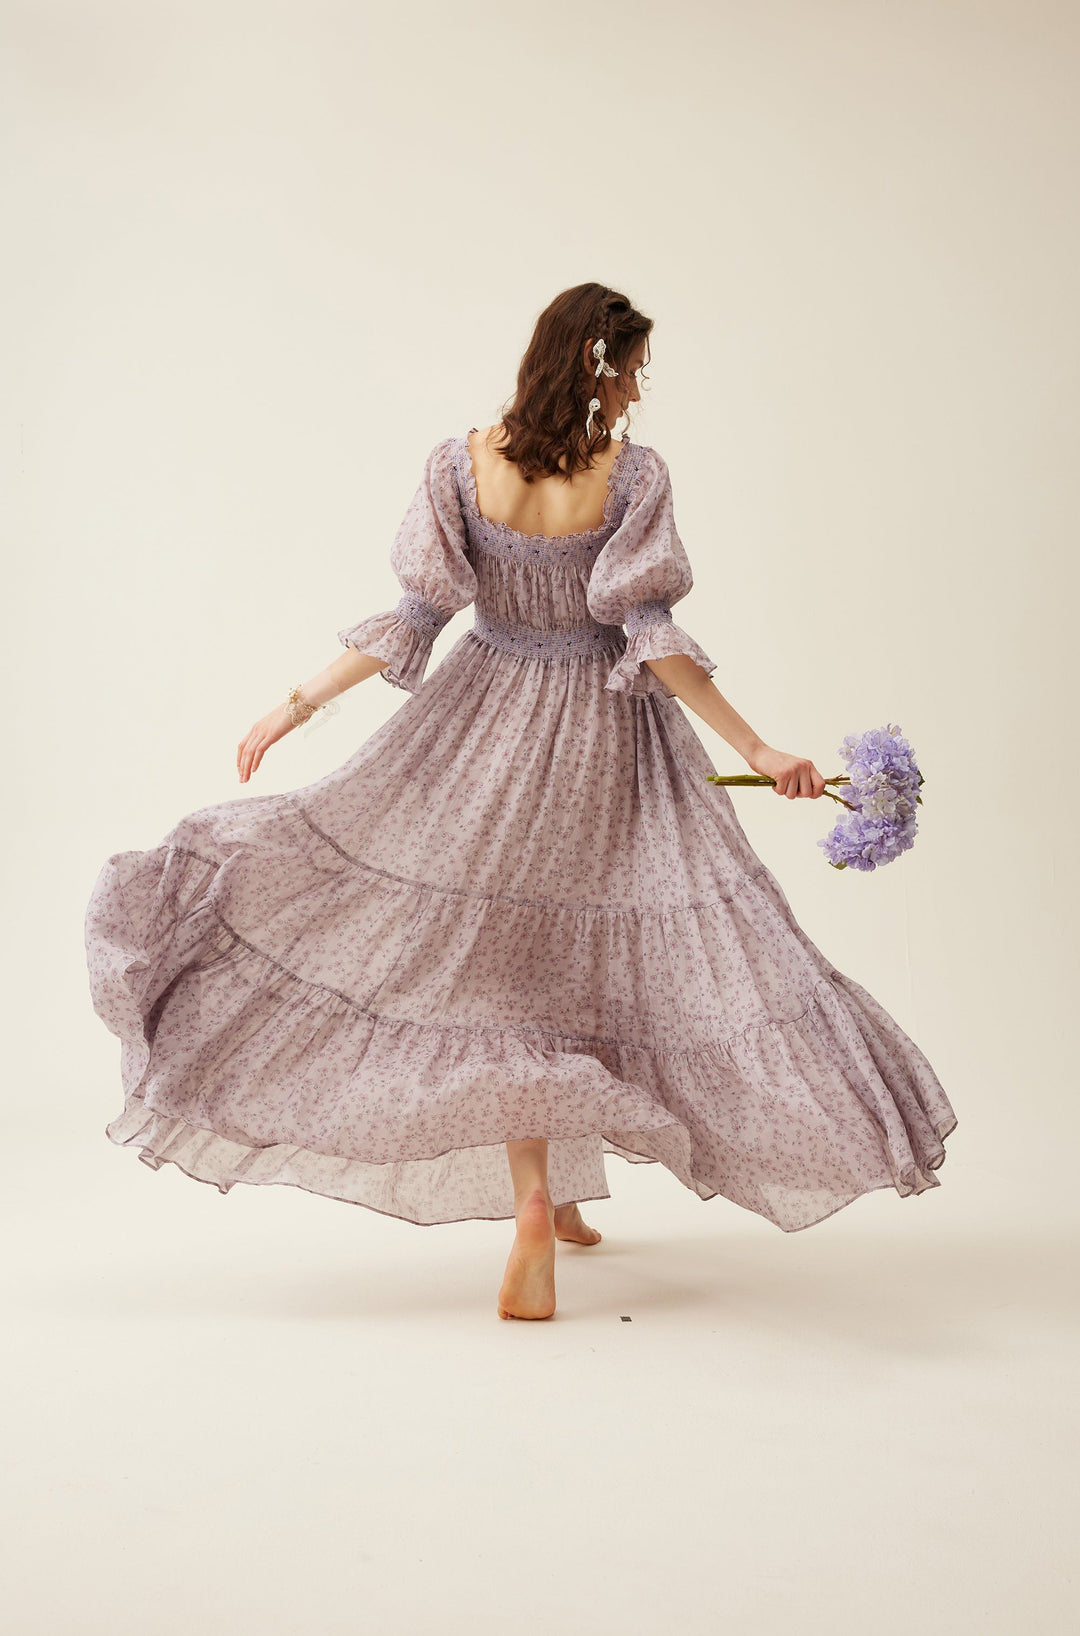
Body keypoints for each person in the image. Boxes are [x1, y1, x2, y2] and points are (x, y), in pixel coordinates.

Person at [84, 281, 957, 1322]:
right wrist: (757, 747)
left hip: (481, 729)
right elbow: (650, 638)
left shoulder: (462, 464)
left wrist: (295, 706)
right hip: (606, 739)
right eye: (632, 371)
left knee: (510, 964)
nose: (638, 392)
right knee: (575, 953)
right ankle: (546, 1200)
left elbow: (414, 616)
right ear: (595, 365)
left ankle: (549, 1200)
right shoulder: (632, 477)